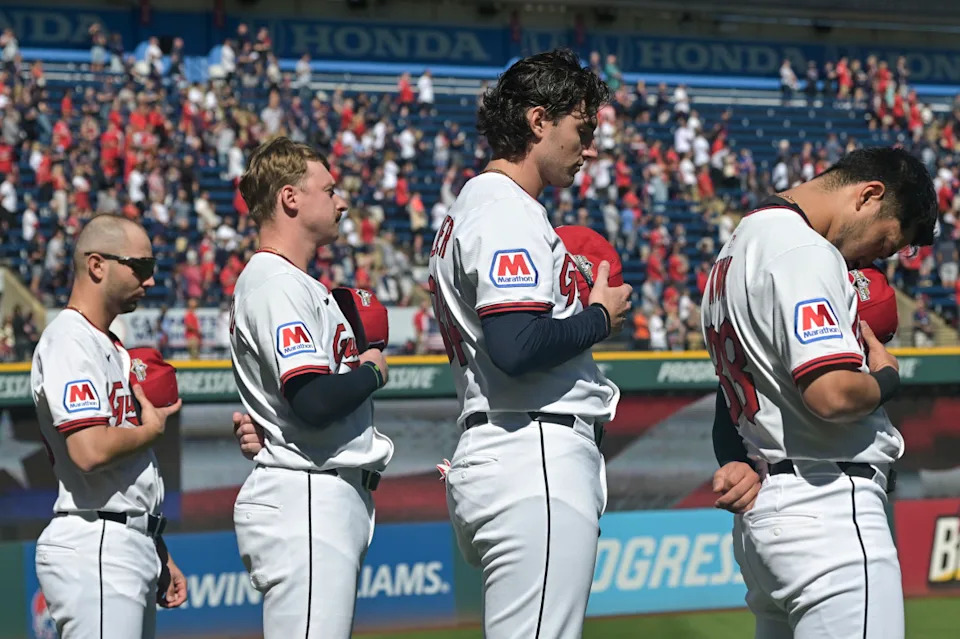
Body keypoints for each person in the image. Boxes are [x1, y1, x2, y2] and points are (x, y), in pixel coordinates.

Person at [429, 48, 631, 638]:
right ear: (539, 121)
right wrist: (598, 316)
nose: (590, 147)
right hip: (532, 451)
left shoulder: (478, 205)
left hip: (507, 443)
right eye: (582, 128)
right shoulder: (506, 209)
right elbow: (516, 346)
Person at [700, 147, 937, 639]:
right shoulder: (803, 249)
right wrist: (887, 376)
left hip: (771, 511)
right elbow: (830, 393)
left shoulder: (738, 244)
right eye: (887, 241)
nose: (878, 258)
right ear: (869, 195)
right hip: (830, 508)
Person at [228, 137, 393, 638]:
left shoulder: (293, 282)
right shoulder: (276, 283)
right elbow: (313, 400)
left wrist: (270, 429)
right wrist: (372, 371)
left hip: (318, 494)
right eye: (329, 189)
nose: (341, 202)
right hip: (307, 497)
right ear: (290, 198)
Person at [31, 214, 187, 638]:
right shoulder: (69, 339)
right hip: (95, 541)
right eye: (141, 267)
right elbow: (89, 450)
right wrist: (149, 431)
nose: (150, 281)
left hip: (121, 537)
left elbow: (121, 472)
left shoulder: (108, 345)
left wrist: (155, 545)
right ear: (97, 265)